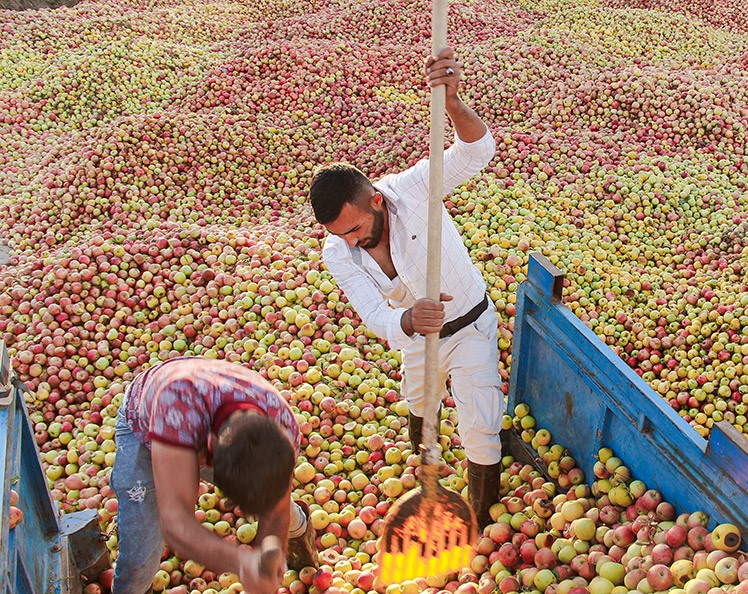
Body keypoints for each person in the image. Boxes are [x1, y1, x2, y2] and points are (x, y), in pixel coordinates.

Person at [308, 46, 502, 529]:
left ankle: (480, 524)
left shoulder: (414, 188)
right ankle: (427, 469)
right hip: (418, 338)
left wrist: (454, 104)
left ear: (375, 200)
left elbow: (477, 152)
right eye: (341, 236)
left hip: (470, 325)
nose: (352, 241)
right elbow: (374, 315)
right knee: (419, 400)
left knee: (480, 425)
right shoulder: (338, 252)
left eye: (355, 229)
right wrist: (410, 319)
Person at [110, 356, 317, 594]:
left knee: (277, 501)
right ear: (208, 449)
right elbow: (175, 521)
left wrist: (267, 567)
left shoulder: (286, 430)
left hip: (207, 407)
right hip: (147, 423)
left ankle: (302, 543)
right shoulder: (176, 407)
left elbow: (277, 512)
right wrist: (241, 563)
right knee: (140, 552)